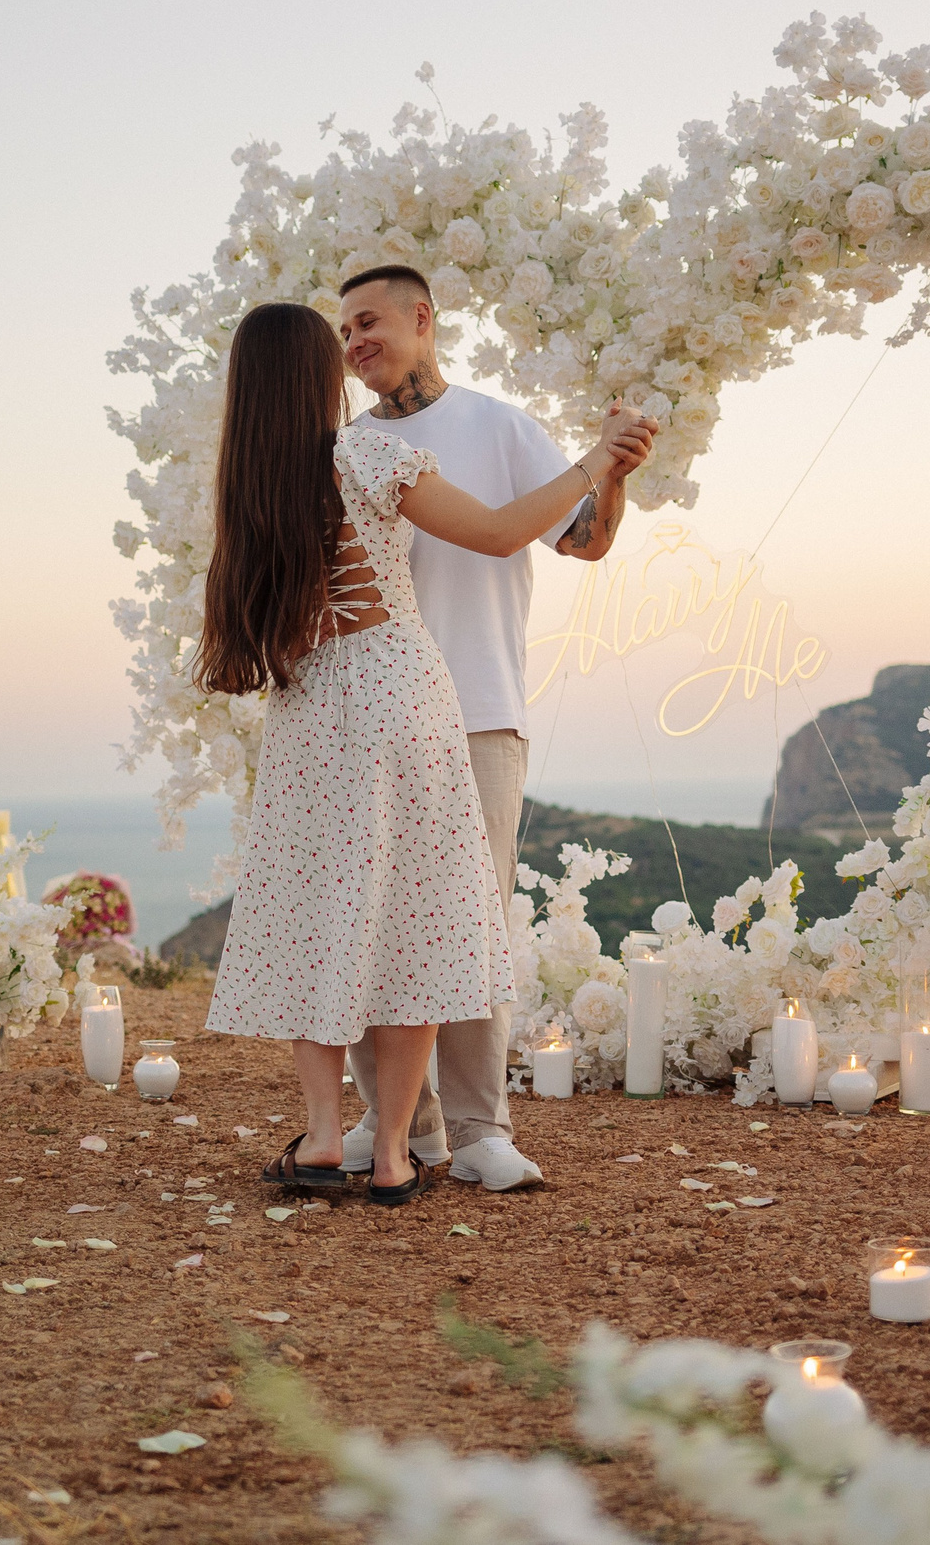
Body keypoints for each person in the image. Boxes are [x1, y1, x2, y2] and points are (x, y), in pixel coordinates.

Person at [196, 301, 647, 1202]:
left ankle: (328, 1134)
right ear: (316, 376)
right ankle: (399, 1150)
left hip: (310, 713)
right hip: (399, 693)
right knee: (421, 917)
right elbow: (493, 532)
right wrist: (597, 461)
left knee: (325, 916)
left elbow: (252, 645)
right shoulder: (365, 453)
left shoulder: (247, 490)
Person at [331, 264, 652, 1191]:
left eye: (369, 323)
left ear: (422, 320)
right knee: (367, 921)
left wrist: (614, 474)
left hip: (478, 707)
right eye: (344, 332)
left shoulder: (495, 424)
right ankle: (400, 1124)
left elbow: (583, 539)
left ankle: (477, 1128)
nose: (355, 344)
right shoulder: (343, 447)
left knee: (469, 924)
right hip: (370, 719)